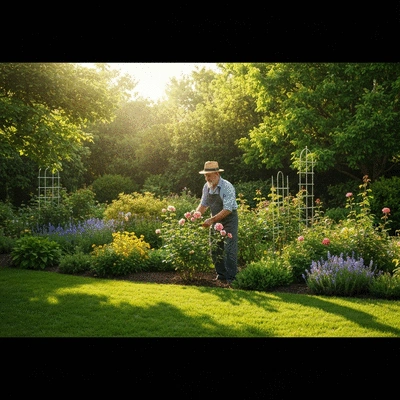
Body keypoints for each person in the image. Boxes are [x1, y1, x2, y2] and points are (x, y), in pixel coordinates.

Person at [195, 161, 239, 285]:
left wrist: (211, 220)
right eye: (205, 175)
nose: (206, 178)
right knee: (215, 248)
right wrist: (196, 215)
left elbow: (228, 209)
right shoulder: (207, 186)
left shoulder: (226, 186)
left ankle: (231, 279)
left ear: (216, 174)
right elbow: (203, 205)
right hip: (214, 219)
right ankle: (221, 276)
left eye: (208, 175)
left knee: (229, 248)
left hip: (229, 219)